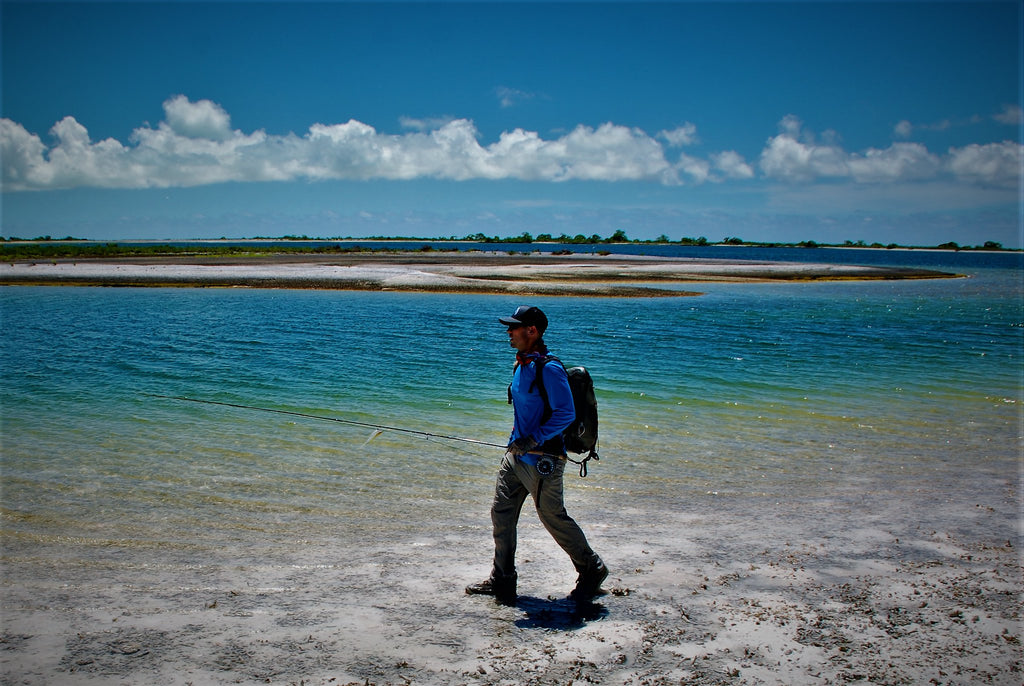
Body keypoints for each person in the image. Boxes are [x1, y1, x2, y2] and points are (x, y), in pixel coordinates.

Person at [465, 305, 608, 604]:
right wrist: (518, 443)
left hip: (544, 460)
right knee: (501, 515)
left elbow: (566, 414)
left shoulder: (549, 368)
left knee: (553, 518)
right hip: (515, 458)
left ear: (532, 331)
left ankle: (592, 568)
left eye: (514, 327)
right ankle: (502, 580)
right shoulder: (521, 364)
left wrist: (533, 439)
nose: (509, 332)